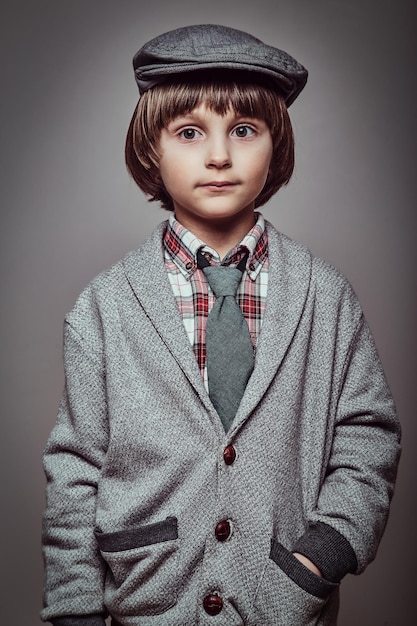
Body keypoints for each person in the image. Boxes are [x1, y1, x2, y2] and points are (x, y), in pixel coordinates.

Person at [41, 24, 401, 626]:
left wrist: (321, 556)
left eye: (243, 130)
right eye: (189, 132)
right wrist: (76, 611)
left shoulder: (326, 297)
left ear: (276, 144)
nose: (218, 156)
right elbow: (75, 471)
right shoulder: (102, 306)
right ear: (151, 148)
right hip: (149, 602)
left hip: (285, 602)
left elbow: (368, 434)